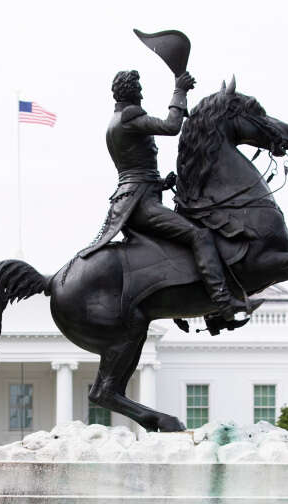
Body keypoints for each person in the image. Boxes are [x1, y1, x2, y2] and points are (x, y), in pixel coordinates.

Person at [78, 69, 249, 323]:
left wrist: (160, 183)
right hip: (141, 205)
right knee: (199, 235)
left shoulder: (115, 121)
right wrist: (180, 90)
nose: (142, 92)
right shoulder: (129, 117)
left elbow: (134, 169)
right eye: (139, 88)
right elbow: (171, 126)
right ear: (133, 91)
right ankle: (222, 303)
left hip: (134, 199)